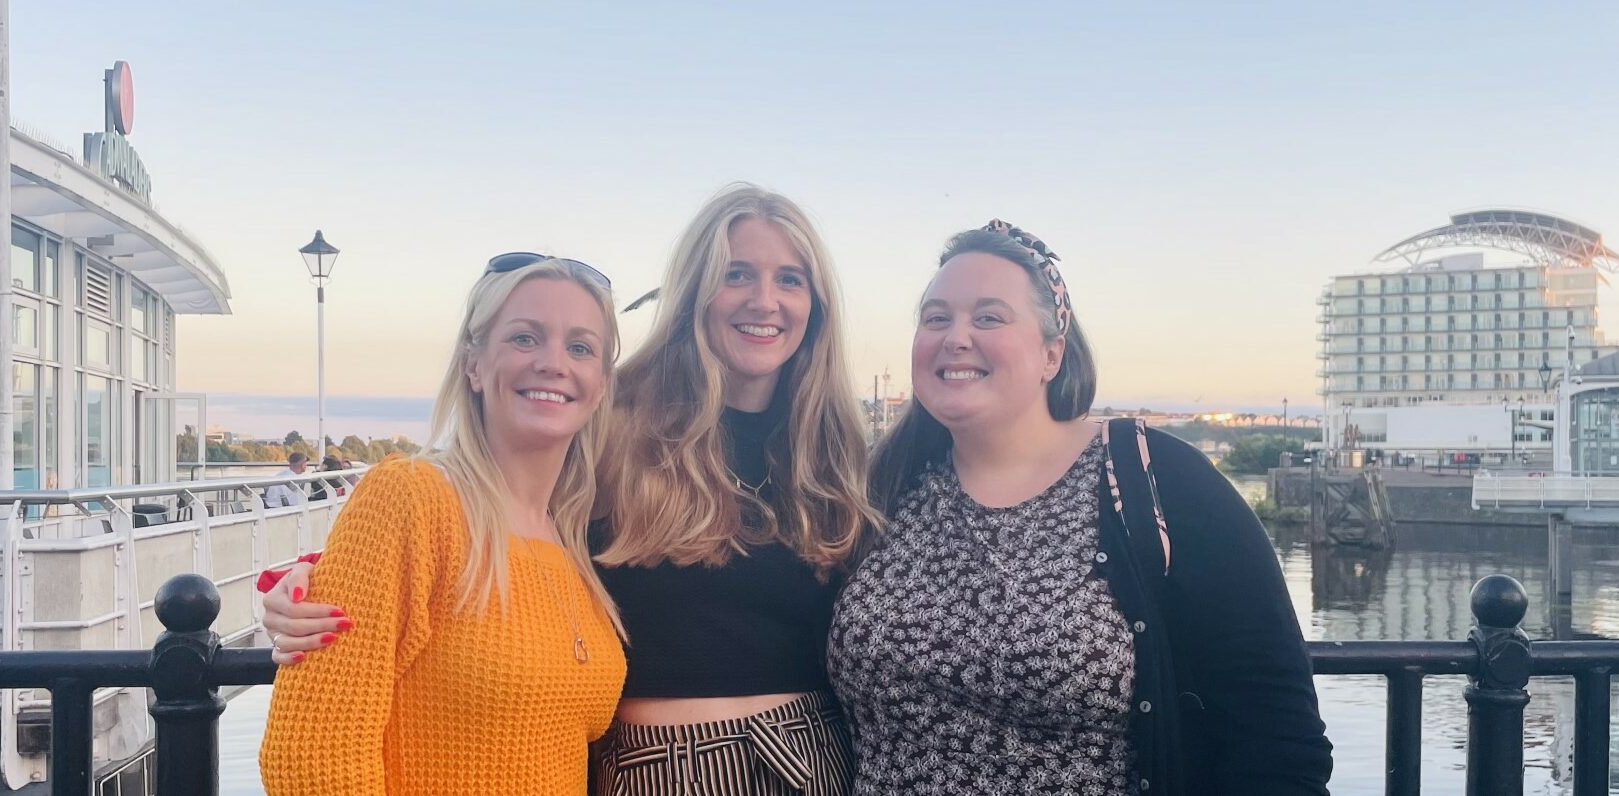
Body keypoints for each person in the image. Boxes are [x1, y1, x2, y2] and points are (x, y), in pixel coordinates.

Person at [259, 185, 879, 794]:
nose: (763, 300)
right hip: (654, 764)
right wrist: (322, 579)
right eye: (736, 274)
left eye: (790, 279)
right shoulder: (615, 423)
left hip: (809, 759)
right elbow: (476, 509)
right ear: (695, 291)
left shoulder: (835, 452)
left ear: (816, 304)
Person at [828, 221, 1332, 795]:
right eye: (936, 317)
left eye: (988, 317)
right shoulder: (881, 491)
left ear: (1052, 353)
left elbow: (1276, 732)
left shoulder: (1155, 478)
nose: (955, 336)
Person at [256, 255, 627, 794]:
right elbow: (312, 757)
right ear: (473, 365)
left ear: (600, 384)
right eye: (524, 338)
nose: (553, 363)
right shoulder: (411, 498)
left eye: (580, 347)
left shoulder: (575, 539)